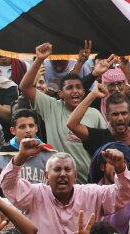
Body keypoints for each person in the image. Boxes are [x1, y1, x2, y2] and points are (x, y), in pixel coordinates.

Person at [0, 138, 130, 234]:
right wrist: (21, 156)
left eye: (67, 170)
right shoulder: (34, 194)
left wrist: (121, 168)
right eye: (57, 170)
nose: (63, 174)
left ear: (75, 176)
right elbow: (8, 186)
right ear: (46, 176)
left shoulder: (92, 194)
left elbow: (124, 194)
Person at [18, 43, 106, 183]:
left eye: (79, 87)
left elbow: (105, 147)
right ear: (60, 94)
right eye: (69, 88)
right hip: (58, 183)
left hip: (89, 185)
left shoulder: (95, 114)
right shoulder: (51, 107)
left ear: (84, 92)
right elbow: (25, 86)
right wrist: (39, 59)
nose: (75, 91)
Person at [0, 108, 56, 196]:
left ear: (36, 128)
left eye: (31, 126)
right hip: (9, 207)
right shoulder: (1, 156)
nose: (28, 130)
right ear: (13, 131)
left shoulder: (50, 155)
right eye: (22, 127)